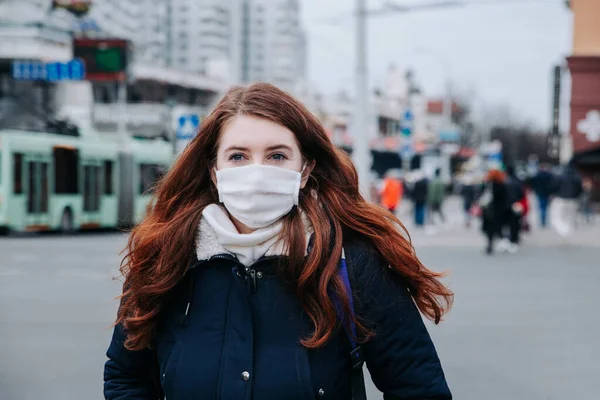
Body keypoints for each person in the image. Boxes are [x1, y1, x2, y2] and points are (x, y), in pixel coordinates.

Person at [103, 83, 453, 400]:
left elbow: (418, 387)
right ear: (214, 171)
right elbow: (127, 379)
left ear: (305, 170)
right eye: (238, 156)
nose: (256, 172)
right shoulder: (168, 258)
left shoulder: (350, 263)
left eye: (277, 156)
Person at [550, 160, 583, 238]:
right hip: (573, 200)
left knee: (557, 216)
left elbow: (554, 186)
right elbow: (580, 190)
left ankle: (564, 231)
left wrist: (554, 194)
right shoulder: (577, 177)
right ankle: (568, 232)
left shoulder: (561, 176)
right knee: (570, 217)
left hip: (561, 199)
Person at [481, 169, 509, 255]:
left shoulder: (489, 185)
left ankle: (492, 244)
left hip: (490, 210)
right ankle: (499, 243)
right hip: (495, 211)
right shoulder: (500, 185)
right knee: (497, 229)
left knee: (492, 229)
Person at [504, 166, 526, 253]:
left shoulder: (505, 182)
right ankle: (514, 240)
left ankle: (507, 240)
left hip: (506, 206)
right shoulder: (518, 182)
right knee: (515, 224)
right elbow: (522, 194)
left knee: (506, 224)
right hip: (516, 205)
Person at [529, 163, 555, 228]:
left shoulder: (537, 175)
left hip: (539, 193)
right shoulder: (549, 175)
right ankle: (544, 221)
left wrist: (534, 190)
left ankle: (542, 221)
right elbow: (552, 184)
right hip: (546, 193)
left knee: (541, 207)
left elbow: (532, 183)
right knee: (545, 207)